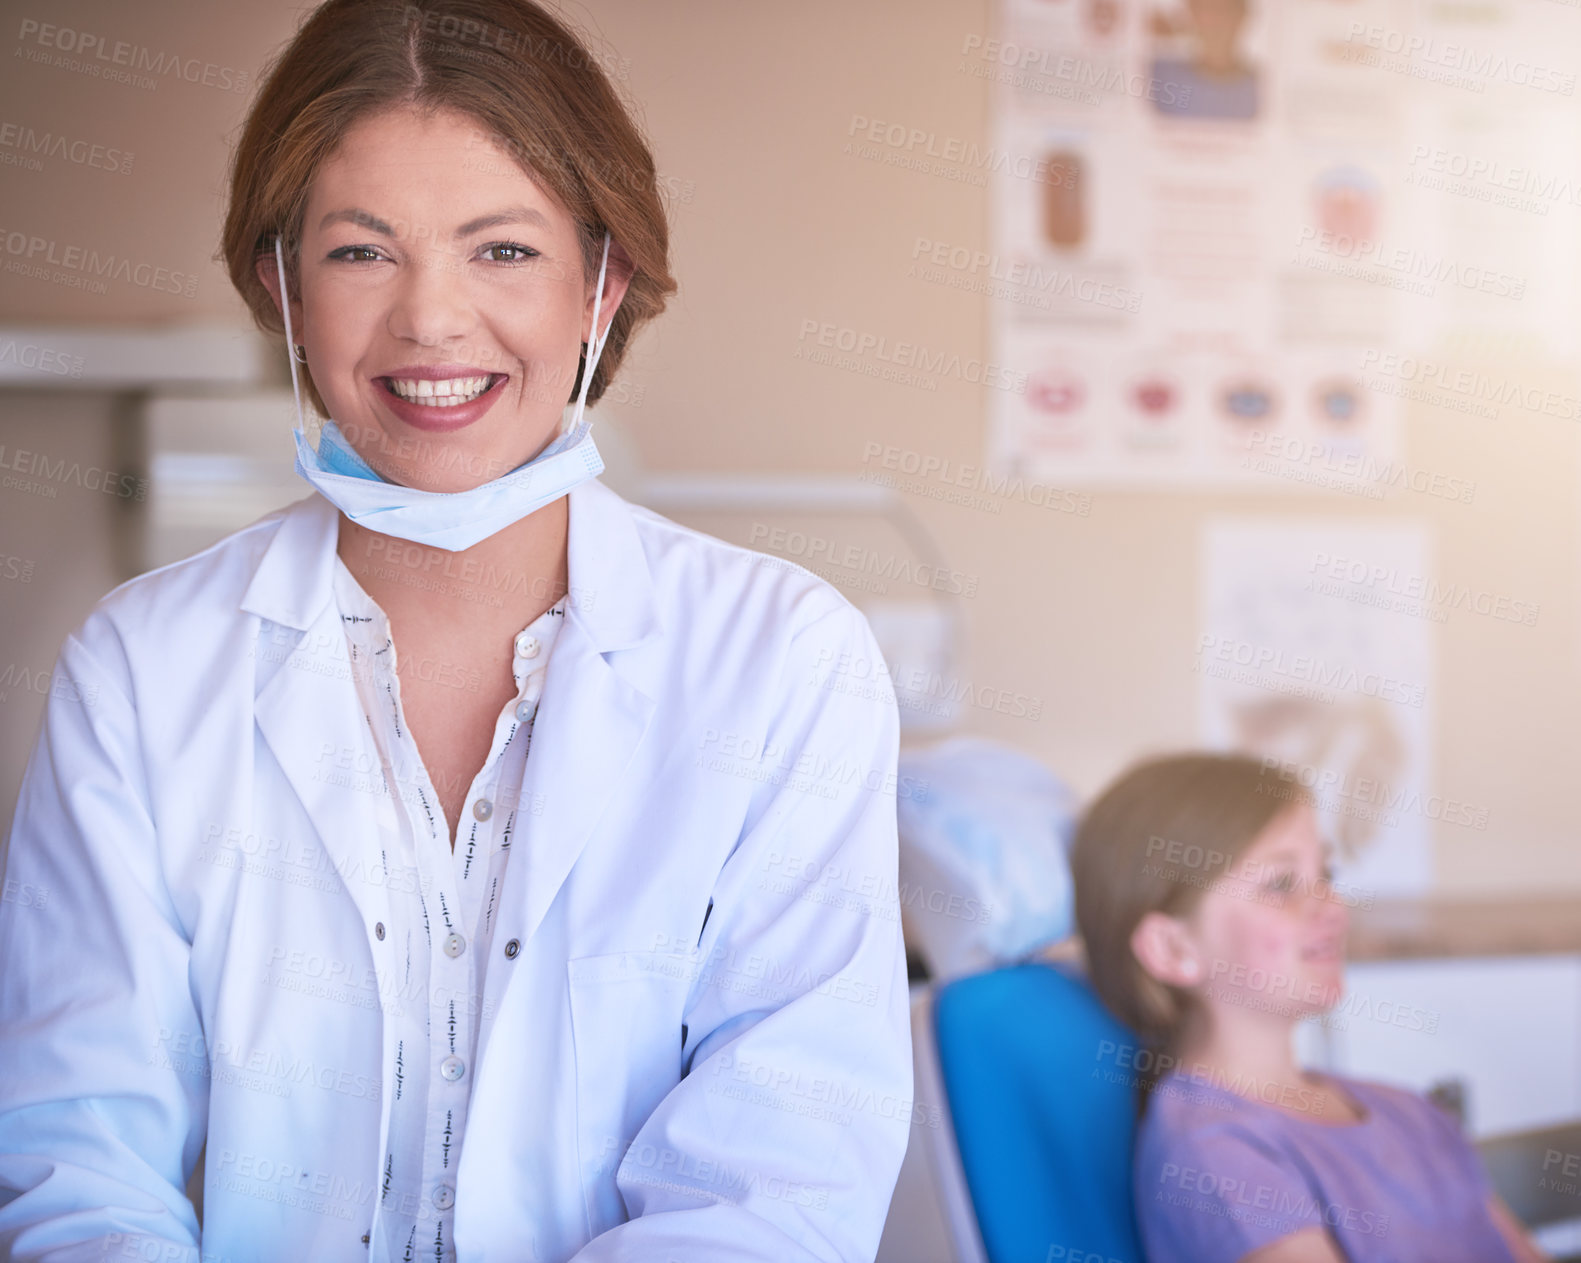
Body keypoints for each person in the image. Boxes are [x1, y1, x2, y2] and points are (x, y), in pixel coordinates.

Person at [0, 3, 911, 1261]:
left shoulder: (784, 662)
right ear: (281, 287)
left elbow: (779, 1178)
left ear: (604, 284)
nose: (431, 321)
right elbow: (78, 1158)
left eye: (501, 252)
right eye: (363, 254)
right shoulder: (144, 669)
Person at [1070, 752, 1547, 1262]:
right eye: (1280, 884)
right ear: (1173, 950)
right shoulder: (1216, 1157)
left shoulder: (1408, 1112)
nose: (1332, 907)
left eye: (1327, 875)